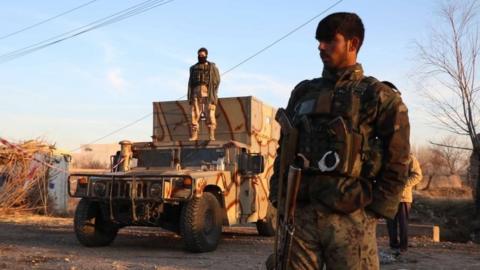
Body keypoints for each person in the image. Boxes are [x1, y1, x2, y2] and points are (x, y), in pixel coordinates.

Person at [268, 12, 410, 269]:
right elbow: (285, 147)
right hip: (299, 217)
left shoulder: (378, 96)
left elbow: (398, 159)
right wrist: (279, 196)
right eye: (319, 41)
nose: (320, 47)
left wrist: (375, 210)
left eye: (329, 40)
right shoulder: (303, 91)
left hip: (351, 217)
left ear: (352, 44)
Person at [387, 154, 422, 253]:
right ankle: (393, 246)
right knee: (390, 223)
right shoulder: (388, 155)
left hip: (404, 198)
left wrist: (402, 184)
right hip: (389, 196)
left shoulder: (410, 158)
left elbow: (417, 175)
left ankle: (403, 247)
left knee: (403, 223)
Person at [187, 47, 221, 141]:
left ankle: (211, 136)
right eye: (199, 55)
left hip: (207, 92)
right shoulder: (193, 68)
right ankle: (194, 136)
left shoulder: (212, 67)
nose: (200, 57)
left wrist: (213, 92)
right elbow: (190, 82)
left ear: (206, 55)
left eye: (202, 55)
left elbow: (217, 80)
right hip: (195, 92)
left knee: (210, 114)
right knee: (194, 114)